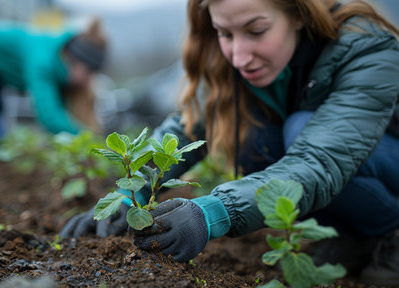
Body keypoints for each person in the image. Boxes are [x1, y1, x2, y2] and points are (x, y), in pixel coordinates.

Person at [60, 0, 399, 285]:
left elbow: (319, 162)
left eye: (256, 31)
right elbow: (185, 129)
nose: (238, 56)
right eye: (225, 34)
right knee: (249, 133)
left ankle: (390, 235)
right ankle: (352, 237)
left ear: (298, 14)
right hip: (329, 169)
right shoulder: (238, 65)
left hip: (381, 162)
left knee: (299, 128)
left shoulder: (368, 49)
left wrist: (214, 212)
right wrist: (129, 192)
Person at [0, 18, 105, 148]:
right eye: (87, 73)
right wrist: (89, 141)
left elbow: (60, 113)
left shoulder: (56, 62)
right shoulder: (42, 59)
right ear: (73, 61)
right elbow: (49, 117)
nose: (87, 81)